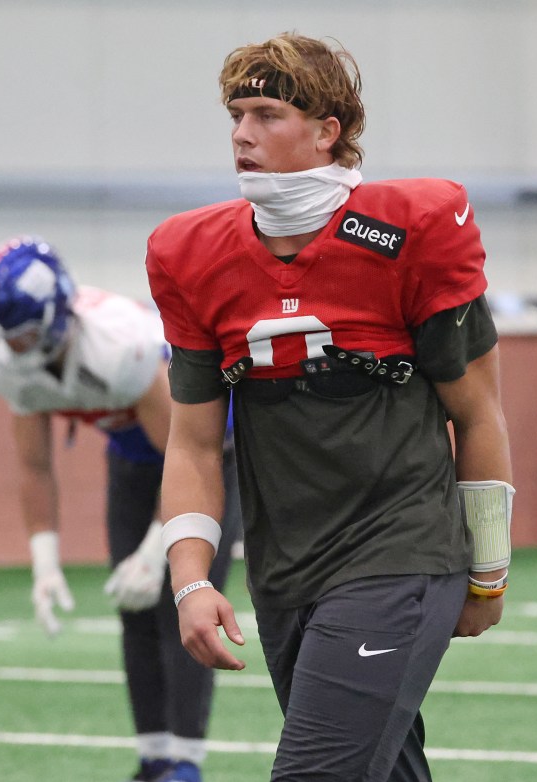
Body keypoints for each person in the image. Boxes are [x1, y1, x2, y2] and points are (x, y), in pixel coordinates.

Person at [145, 34, 514, 782]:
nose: (243, 134)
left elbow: (476, 414)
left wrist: (489, 573)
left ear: (327, 131)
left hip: (400, 555)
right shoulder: (192, 253)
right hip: (286, 571)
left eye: (267, 113)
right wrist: (190, 580)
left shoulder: (409, 232)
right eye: (236, 114)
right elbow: (189, 444)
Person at [0, 235, 241, 782]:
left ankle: (185, 764)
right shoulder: (6, 361)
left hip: (206, 454)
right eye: (5, 336)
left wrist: (153, 552)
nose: (12, 349)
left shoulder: (120, 345)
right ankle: (154, 757)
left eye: (22, 335)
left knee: (185, 609)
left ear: (52, 317)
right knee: (134, 611)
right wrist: (44, 564)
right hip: (135, 458)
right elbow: (35, 467)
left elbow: (184, 456)